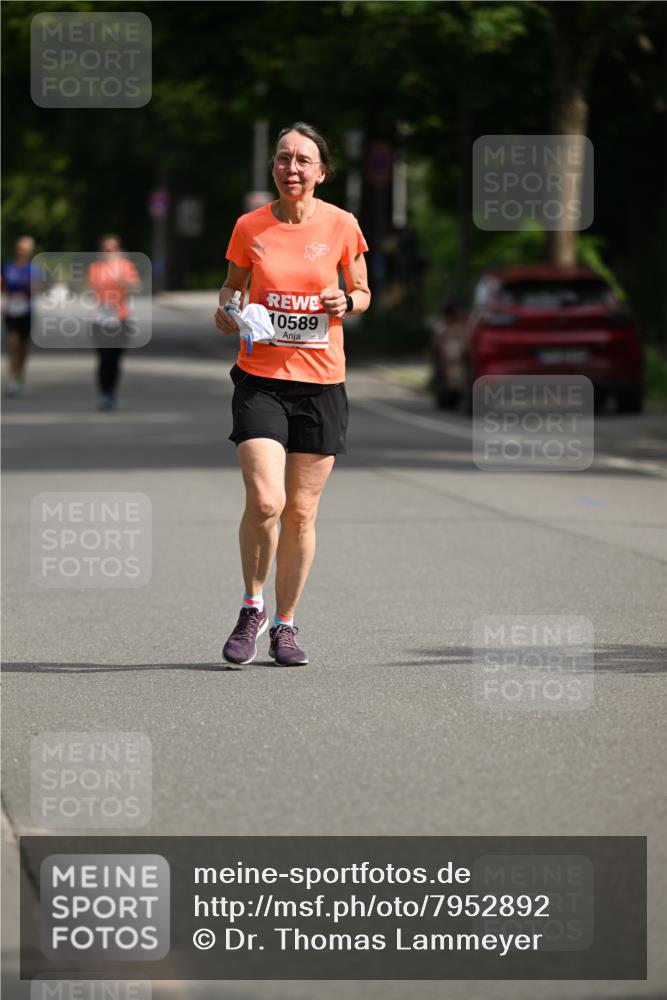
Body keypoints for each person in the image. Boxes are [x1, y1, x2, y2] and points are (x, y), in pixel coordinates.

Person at [215, 122, 370, 666]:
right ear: (273, 167)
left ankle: (285, 625)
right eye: (283, 159)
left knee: (301, 513)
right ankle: (251, 607)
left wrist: (345, 304)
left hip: (322, 383)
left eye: (304, 160)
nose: (292, 168)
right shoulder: (249, 227)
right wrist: (229, 312)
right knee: (266, 501)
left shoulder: (343, 225)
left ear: (321, 172)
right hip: (260, 379)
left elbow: (363, 290)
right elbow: (231, 290)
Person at [87, 234, 140, 411]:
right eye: (106, 249)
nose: (109, 252)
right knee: (103, 357)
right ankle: (104, 393)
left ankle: (112, 391)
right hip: (101, 317)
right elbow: (95, 286)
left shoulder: (126, 267)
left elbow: (135, 286)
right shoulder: (96, 268)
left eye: (112, 249)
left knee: (115, 358)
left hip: (120, 317)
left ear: (118, 250)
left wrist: (120, 276)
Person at [2, 235, 39, 396]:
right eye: (21, 249)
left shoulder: (33, 269)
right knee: (13, 343)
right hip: (11, 309)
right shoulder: (8, 267)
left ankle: (20, 375)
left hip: (26, 309)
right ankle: (12, 379)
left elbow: (38, 287)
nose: (22, 252)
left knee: (23, 347)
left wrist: (30, 286)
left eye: (26, 250)